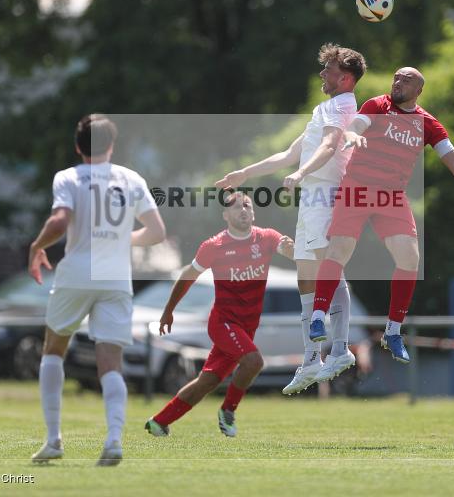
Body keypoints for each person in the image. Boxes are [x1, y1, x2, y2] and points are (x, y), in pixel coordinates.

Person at [309, 67, 454, 362]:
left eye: (406, 80)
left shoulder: (428, 124)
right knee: (340, 248)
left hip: (391, 196)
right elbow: (357, 126)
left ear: (419, 90)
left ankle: (393, 330)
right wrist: (350, 135)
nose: (398, 83)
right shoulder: (377, 105)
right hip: (358, 187)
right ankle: (317, 316)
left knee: (410, 258)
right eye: (397, 78)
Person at [215, 43, 365, 394]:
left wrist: (300, 175)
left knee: (322, 272)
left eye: (327, 70)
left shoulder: (340, 105)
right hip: (314, 199)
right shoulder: (327, 106)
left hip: (323, 196)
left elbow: (330, 146)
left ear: (344, 77)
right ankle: (318, 357)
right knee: (311, 275)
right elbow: (289, 153)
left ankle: (335, 351)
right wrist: (244, 173)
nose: (321, 75)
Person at [28, 114, 166, 466]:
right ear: (112, 145)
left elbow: (59, 221)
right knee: (111, 363)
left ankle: (54, 438)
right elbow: (156, 232)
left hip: (76, 272)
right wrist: (122, 240)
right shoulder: (131, 178)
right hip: (115, 275)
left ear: (78, 145)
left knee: (53, 350)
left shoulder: (69, 177)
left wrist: (36, 245)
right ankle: (114, 439)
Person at [145, 192, 294, 437]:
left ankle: (159, 422)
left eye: (247, 205)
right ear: (226, 215)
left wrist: (294, 249)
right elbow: (187, 277)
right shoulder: (214, 246)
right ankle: (228, 411)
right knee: (254, 361)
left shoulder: (266, 237)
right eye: (236, 207)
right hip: (223, 323)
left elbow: (291, 251)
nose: (242, 210)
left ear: (254, 212)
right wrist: (168, 311)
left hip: (247, 326)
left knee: (209, 381)